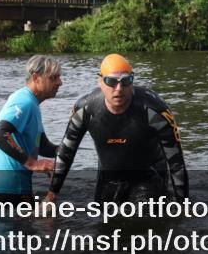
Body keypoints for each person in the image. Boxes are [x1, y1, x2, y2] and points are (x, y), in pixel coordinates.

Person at [47, 54, 188, 204]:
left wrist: (183, 203)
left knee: (142, 220)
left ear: (132, 81)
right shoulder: (85, 109)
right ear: (100, 81)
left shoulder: (154, 109)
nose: (119, 89)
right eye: (111, 81)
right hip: (109, 177)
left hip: (150, 175)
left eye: (126, 81)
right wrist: (51, 195)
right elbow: (66, 152)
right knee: (104, 220)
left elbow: (176, 160)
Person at [0, 55, 63, 204]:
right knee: (49, 222)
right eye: (54, 78)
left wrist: (67, 150)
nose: (60, 82)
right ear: (36, 78)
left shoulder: (32, 104)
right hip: (7, 190)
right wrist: (32, 163)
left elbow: (42, 146)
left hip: (0, 189)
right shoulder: (25, 102)